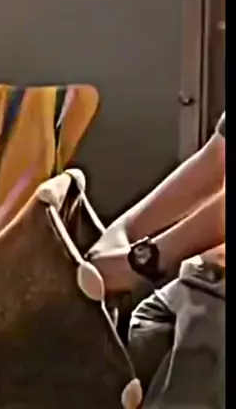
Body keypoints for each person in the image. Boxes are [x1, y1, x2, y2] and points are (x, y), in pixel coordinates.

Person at [88, 119, 225, 403]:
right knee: (149, 331)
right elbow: (217, 157)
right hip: (205, 277)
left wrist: (145, 261)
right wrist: (125, 229)